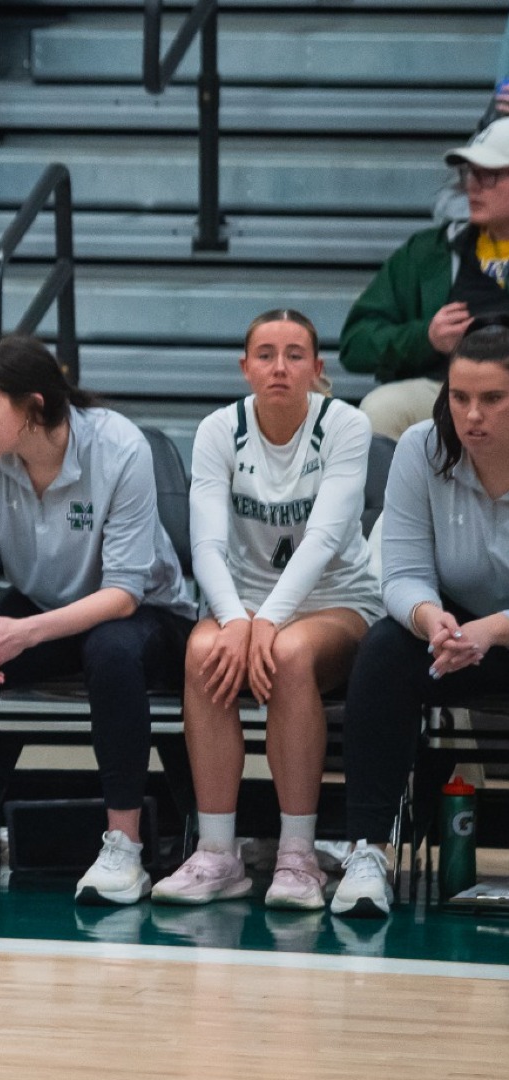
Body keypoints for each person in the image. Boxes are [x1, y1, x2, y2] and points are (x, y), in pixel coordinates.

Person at [0, 336, 197, 905]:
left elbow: (122, 592)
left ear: (34, 408)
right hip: (46, 610)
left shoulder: (119, 446)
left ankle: (125, 847)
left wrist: (22, 634)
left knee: (111, 651)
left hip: (147, 614)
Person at [154, 310, 382, 912]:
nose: (280, 367)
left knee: (288, 652)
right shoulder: (217, 430)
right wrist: (235, 620)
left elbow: (326, 539)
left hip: (337, 600)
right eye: (265, 354)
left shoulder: (345, 425)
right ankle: (217, 853)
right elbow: (204, 545)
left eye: (295, 354)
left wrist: (264, 623)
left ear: (317, 367)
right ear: (245, 367)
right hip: (246, 605)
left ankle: (298, 856)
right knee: (202, 649)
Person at [332, 323, 509, 920]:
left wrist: (488, 630)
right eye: (460, 398)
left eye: (492, 399)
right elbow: (402, 571)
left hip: (496, 634)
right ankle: (369, 853)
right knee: (383, 651)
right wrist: (433, 621)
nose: (472, 415)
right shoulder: (419, 448)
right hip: (453, 638)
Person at [341, 118, 509, 441]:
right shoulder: (428, 252)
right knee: (381, 409)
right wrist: (426, 338)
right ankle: (391, 495)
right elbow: (356, 343)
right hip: (448, 391)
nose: (472, 185)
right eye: (468, 173)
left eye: (489, 175)